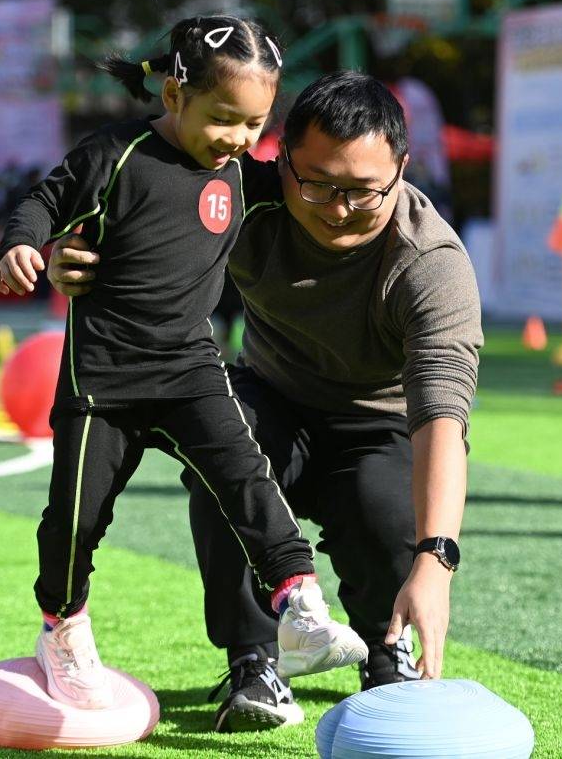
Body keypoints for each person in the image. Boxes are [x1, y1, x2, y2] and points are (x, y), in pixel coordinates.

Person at [47, 71, 482, 732]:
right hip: (271, 396)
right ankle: (253, 658)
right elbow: (134, 216)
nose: (338, 208)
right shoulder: (237, 201)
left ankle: (383, 647)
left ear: (402, 168)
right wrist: (74, 258)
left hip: (380, 426)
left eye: (364, 191)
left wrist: (437, 559)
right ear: (279, 162)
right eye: (317, 183)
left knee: (390, 508)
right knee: (225, 448)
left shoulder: (431, 264)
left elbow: (442, 418)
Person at [0, 16, 367, 713]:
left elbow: (309, 191)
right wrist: (25, 248)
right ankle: (62, 629)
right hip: (103, 380)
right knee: (74, 520)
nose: (240, 139)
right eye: (225, 119)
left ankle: (301, 609)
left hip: (192, 371)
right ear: (173, 97)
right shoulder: (115, 155)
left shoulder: (242, 174)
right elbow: (43, 203)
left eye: (255, 123)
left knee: (249, 481)